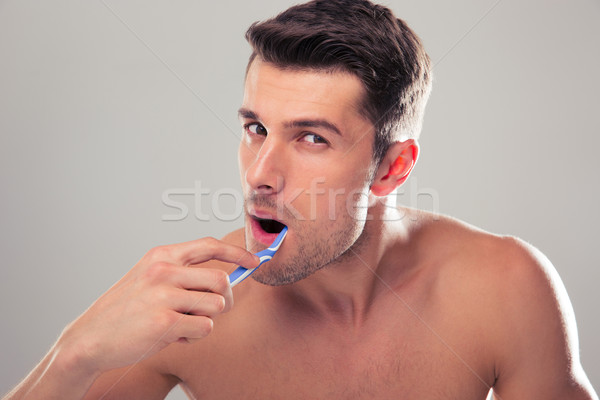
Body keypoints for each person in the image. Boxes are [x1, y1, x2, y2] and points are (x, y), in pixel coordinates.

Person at [4, 0, 598, 399]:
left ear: (392, 168)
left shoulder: (504, 288)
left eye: (312, 138)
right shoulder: (184, 315)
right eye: (255, 128)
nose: (261, 174)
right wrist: (73, 355)